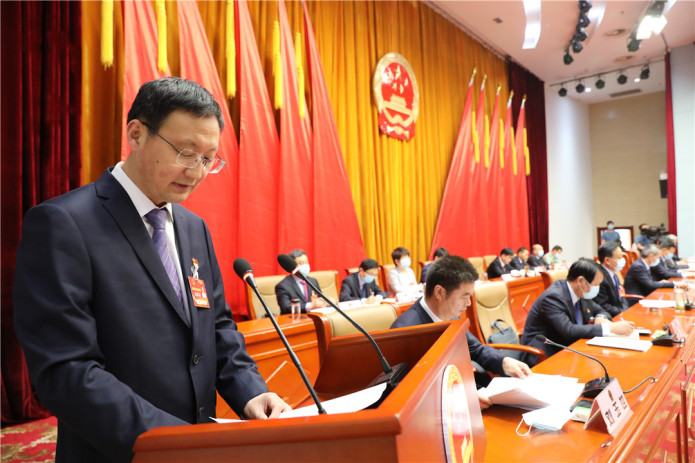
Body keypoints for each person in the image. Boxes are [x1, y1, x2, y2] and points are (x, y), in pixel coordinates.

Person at [13, 78, 290, 462]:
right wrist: (173, 443)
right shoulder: (64, 224)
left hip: (197, 446)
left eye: (208, 159)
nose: (196, 171)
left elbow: (217, 329)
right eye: (186, 152)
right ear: (136, 134)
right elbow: (68, 372)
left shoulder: (193, 227)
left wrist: (252, 392)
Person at [390, 256, 531, 409]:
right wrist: (457, 399)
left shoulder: (450, 314)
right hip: (437, 408)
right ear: (439, 292)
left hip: (463, 389)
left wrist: (503, 362)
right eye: (465, 296)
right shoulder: (404, 330)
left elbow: (475, 349)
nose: (469, 303)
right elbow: (401, 391)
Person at [520, 258, 635, 366]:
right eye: (596, 284)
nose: (598, 288)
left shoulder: (581, 292)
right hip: (544, 356)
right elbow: (568, 331)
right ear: (581, 281)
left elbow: (600, 310)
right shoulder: (553, 297)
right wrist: (610, 328)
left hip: (570, 348)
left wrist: (600, 317)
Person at [275, 249, 329, 314]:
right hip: (296, 318)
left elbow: (320, 300)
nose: (305, 265)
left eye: (306, 262)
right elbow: (286, 308)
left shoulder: (313, 281)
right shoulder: (283, 286)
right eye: (301, 263)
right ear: (292, 266)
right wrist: (310, 306)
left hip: (315, 316)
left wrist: (327, 302)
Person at [594, 242, 628, 317]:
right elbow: (603, 305)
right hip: (609, 317)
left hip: (620, 312)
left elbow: (621, 296)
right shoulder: (599, 278)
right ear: (607, 260)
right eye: (619, 258)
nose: (622, 260)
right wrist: (622, 311)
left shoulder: (614, 274)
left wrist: (625, 309)